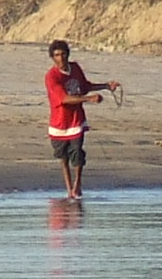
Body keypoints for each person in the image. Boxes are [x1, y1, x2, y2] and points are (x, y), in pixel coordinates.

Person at [44, 39, 119, 200]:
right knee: (62, 156)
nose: (61, 58)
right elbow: (64, 99)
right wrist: (88, 99)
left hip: (76, 121)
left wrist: (106, 86)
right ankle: (69, 188)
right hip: (59, 123)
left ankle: (77, 185)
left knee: (77, 153)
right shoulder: (51, 77)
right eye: (57, 55)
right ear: (52, 58)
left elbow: (84, 86)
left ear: (68, 54)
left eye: (63, 54)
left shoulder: (76, 68)